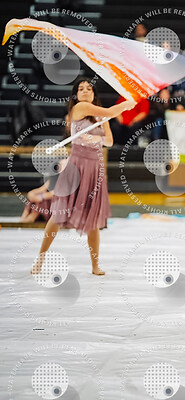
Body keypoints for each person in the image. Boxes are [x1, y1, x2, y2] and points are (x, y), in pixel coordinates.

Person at [30, 77, 135, 276]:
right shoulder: (79, 108)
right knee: (58, 215)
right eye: (81, 89)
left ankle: (95, 265)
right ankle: (40, 259)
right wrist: (126, 104)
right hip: (76, 167)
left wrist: (96, 138)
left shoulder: (100, 117)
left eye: (89, 89)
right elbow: (111, 112)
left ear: (94, 94)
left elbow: (110, 141)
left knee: (93, 219)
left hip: (94, 168)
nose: (85, 91)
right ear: (76, 95)